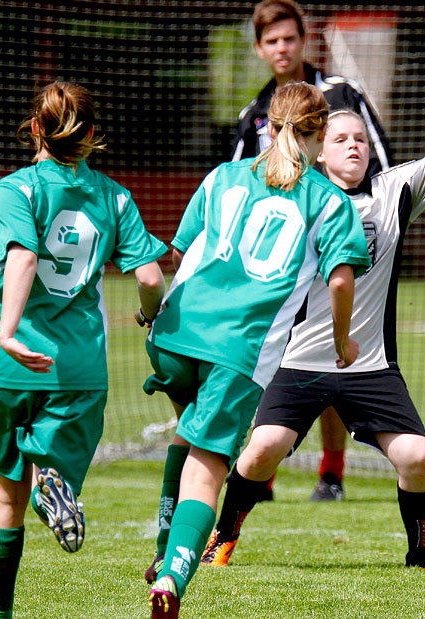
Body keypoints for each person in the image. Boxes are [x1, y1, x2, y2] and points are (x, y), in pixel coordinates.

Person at [200, 21, 425, 573]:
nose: (354, 145)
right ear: (318, 154)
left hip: (370, 365)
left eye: (360, 138)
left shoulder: (394, 191)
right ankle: (222, 537)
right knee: (261, 451)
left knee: (417, 456)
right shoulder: (294, 198)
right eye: (340, 139)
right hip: (299, 360)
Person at [144, 81, 370, 618]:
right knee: (209, 464)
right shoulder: (330, 200)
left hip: (173, 334)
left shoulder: (223, 177)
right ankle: (174, 575)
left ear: (267, 126)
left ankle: (161, 546)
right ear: (319, 137)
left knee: (187, 429)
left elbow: (177, 253)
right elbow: (339, 283)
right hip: (236, 350)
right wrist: (342, 341)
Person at [0, 80, 167, 619]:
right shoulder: (114, 196)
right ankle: (48, 480)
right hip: (76, 365)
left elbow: (23, 258)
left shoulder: (12, 189)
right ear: (92, 134)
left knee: (3, 497)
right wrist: (149, 317)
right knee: (48, 478)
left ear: (35, 128)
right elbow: (149, 276)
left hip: (4, 360)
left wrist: (10, 333)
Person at [235, 0, 396, 502]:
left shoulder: (344, 94)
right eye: (272, 41)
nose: (282, 49)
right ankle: (262, 473)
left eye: (290, 38)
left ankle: (331, 472)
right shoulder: (255, 114)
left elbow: (381, 166)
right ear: (261, 50)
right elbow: (238, 183)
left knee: (329, 351)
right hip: (279, 253)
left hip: (335, 242)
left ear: (305, 41)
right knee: (273, 359)